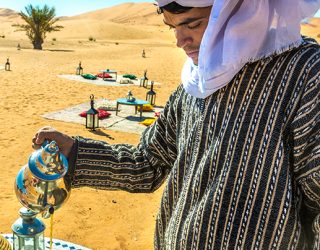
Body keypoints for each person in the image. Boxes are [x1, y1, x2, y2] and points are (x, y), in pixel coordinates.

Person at [33, 0, 320, 249]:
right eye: (173, 27)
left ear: (237, 11)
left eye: (192, 24)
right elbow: (148, 163)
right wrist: (74, 152)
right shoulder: (196, 84)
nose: (180, 41)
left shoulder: (304, 74)